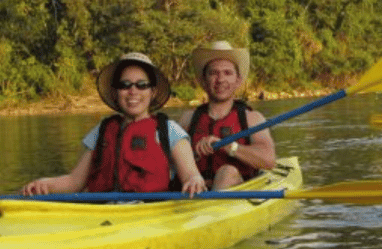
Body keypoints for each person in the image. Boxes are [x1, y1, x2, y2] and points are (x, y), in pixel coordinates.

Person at [21, 53, 206, 197]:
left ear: (152, 92)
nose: (133, 91)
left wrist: (195, 180)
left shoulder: (169, 130)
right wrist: (45, 184)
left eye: (141, 85)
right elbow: (74, 181)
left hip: (152, 213)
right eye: (124, 85)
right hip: (106, 212)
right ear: (116, 92)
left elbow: (190, 174)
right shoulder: (101, 131)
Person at [179, 41, 276, 190]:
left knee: (227, 172)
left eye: (228, 73)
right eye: (213, 73)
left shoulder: (252, 118)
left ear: (238, 81)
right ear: (204, 81)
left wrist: (228, 146)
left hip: (237, 190)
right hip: (196, 192)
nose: (220, 79)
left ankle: (212, 208)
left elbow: (269, 160)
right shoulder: (188, 119)